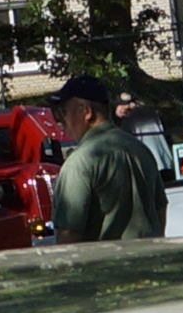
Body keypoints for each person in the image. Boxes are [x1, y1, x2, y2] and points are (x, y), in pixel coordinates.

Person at [54, 97, 168, 241]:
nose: (61, 121)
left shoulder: (81, 161)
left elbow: (68, 232)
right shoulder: (140, 149)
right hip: (149, 258)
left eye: (64, 112)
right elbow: (160, 209)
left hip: (104, 260)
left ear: (86, 111)